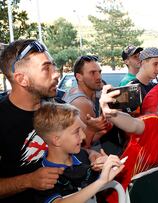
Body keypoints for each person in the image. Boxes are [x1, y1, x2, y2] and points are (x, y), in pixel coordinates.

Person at [0, 39, 64, 202]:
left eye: (53, 66)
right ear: (22, 79)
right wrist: (28, 181)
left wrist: (91, 156)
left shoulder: (58, 108)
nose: (56, 74)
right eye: (46, 69)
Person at [33, 102, 124, 202]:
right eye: (77, 132)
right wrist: (101, 181)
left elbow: (102, 193)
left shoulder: (81, 155)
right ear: (57, 140)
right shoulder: (43, 176)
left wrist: (106, 169)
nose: (84, 136)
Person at [63, 55, 111, 149]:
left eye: (99, 72)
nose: (98, 77)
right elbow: (85, 143)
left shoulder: (75, 91)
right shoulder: (82, 103)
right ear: (79, 77)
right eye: (92, 73)